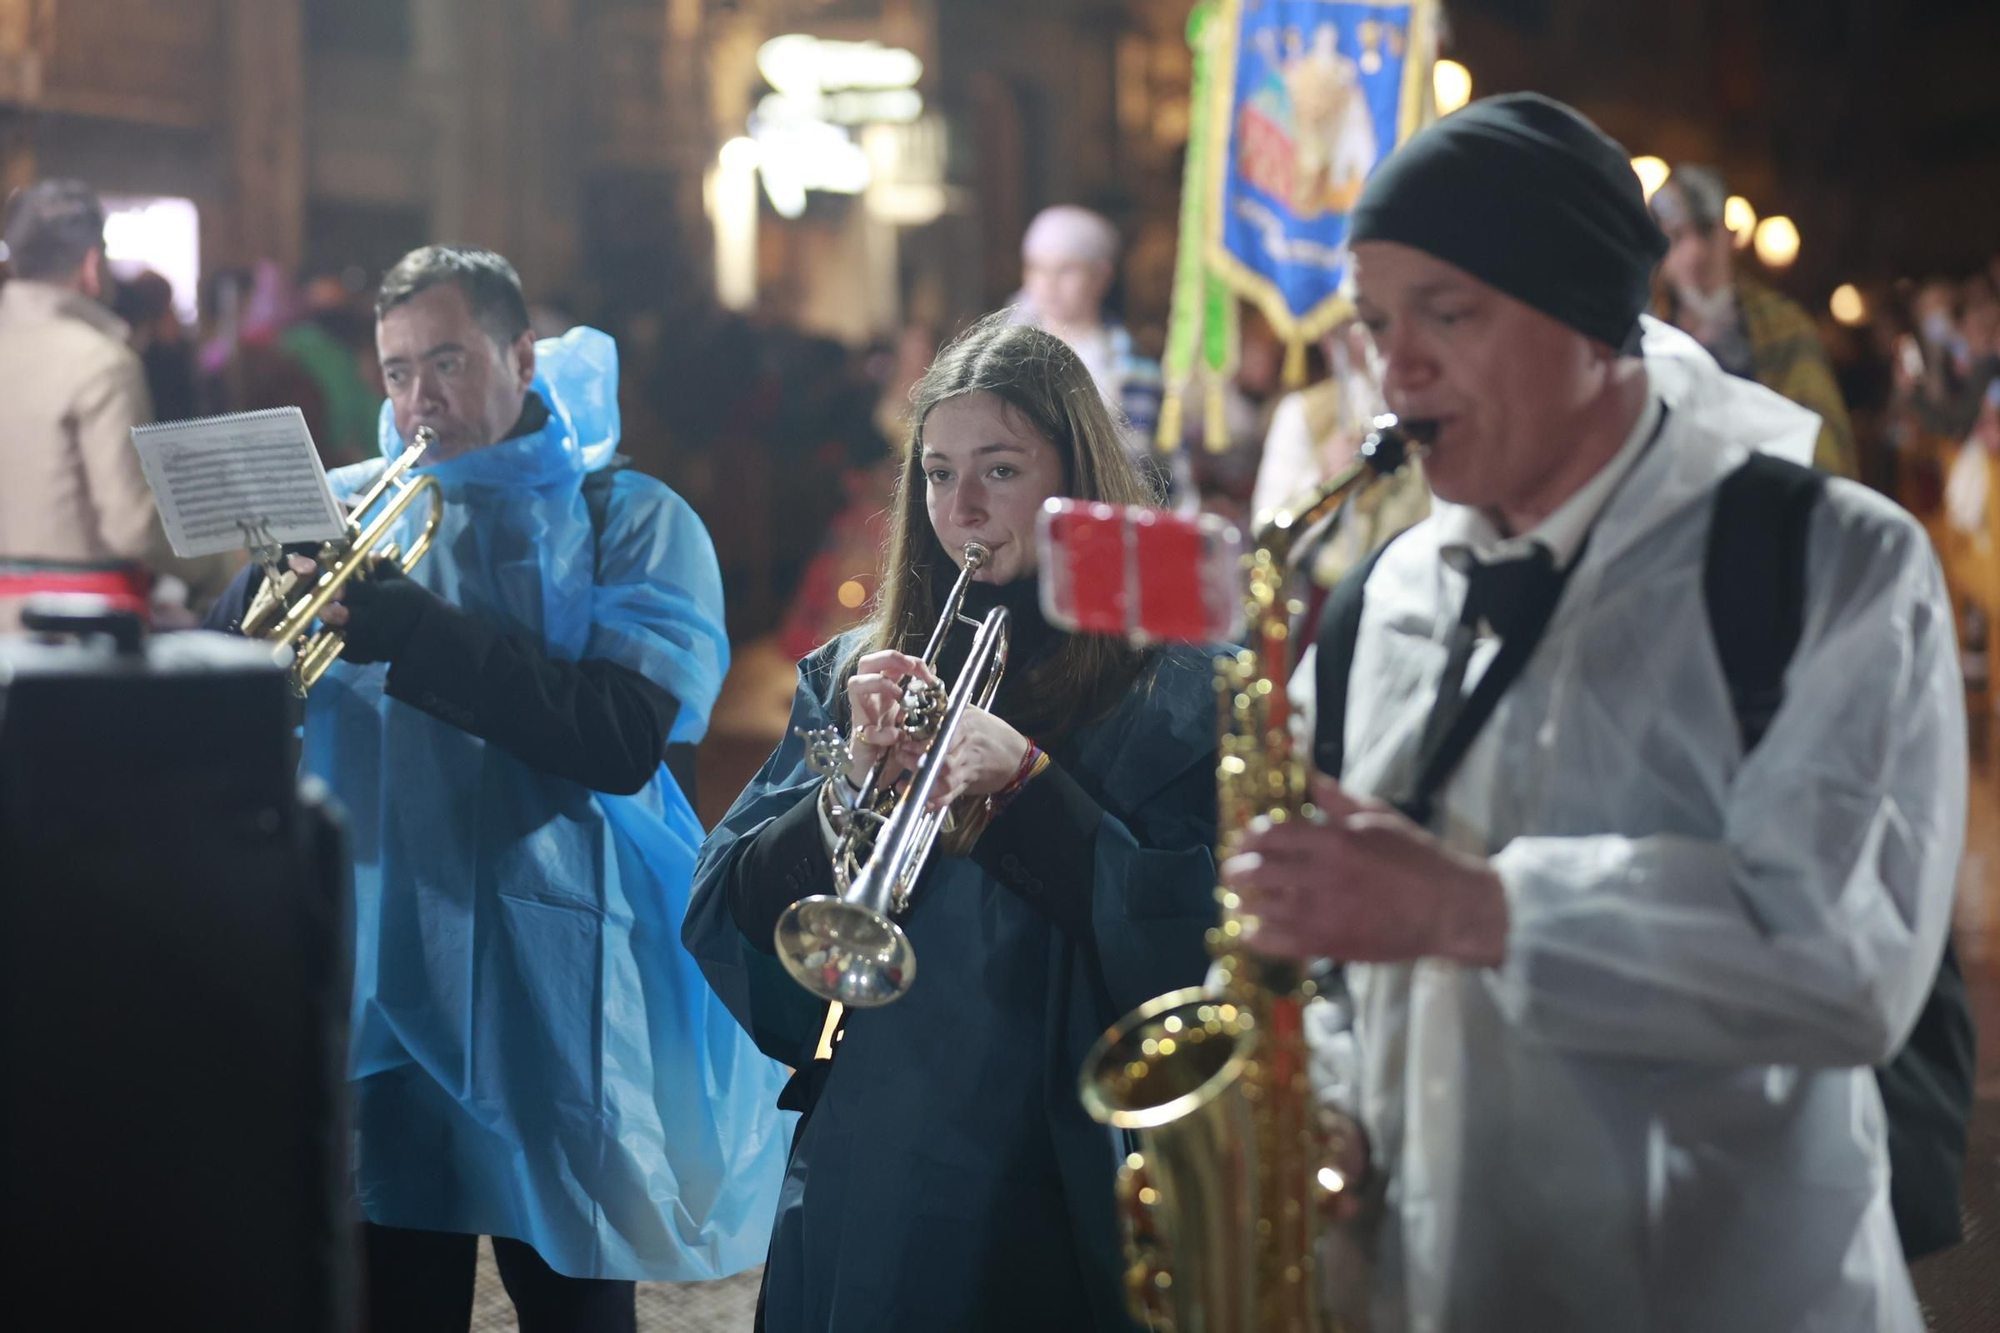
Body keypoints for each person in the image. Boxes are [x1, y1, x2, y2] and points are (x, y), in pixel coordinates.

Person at [1225, 95, 1965, 1332]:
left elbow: (1848, 963)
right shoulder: (1375, 597)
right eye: (1375, 322)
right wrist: (1332, 1108)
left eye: (1445, 315)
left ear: (1586, 316)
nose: (1393, 367)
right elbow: (1316, 944)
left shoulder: (1826, 562)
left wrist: (1474, 908)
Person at [207, 245, 789, 1331]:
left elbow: (619, 735)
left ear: (523, 355)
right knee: (396, 1287)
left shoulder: (632, 517)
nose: (420, 400)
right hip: (384, 960)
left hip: (556, 970)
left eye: (448, 361)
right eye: (395, 372)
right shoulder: (337, 512)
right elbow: (221, 715)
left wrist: (414, 633)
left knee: (573, 1299)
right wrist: (247, 607)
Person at [683, 315, 1223, 1332]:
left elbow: (1196, 941)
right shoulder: (857, 670)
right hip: (882, 1132)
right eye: (935, 473)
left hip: (1057, 1146)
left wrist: (1025, 782)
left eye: (1000, 470)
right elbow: (733, 905)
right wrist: (843, 779)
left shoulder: (1174, 682)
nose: (960, 506)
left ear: (1077, 477)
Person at [0, 179, 227, 625]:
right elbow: (131, 527)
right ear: (91, 265)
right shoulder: (101, 361)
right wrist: (214, 565)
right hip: (72, 631)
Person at [1650, 164, 1859, 477]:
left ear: (1730, 237)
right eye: (1678, 237)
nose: (1695, 253)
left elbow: (1820, 438)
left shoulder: (1783, 326)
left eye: (1707, 232)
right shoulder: (1645, 334)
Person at [1012, 205, 1175, 496]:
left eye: (1066, 270)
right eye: (1038, 268)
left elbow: (1146, 464)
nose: (1049, 284)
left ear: (1101, 276)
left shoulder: (1135, 367)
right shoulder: (1005, 354)